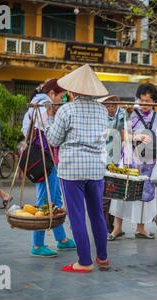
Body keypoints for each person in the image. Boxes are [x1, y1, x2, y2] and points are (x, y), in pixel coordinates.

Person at [46, 64, 110, 273]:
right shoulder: (102, 110)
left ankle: (84, 261)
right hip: (96, 169)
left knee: (77, 216)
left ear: (72, 90)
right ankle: (102, 257)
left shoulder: (66, 109)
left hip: (72, 168)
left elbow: (53, 140)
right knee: (97, 214)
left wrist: (50, 120)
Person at [21, 79, 76, 258]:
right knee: (45, 201)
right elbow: (53, 132)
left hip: (49, 160)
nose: (63, 100)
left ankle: (61, 239)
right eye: (61, 96)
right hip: (45, 161)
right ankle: (37, 244)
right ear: (52, 94)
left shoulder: (39, 104)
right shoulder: (43, 106)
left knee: (55, 199)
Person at [108, 83, 157, 240]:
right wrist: (136, 137)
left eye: (148, 101)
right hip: (130, 160)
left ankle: (141, 229)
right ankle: (117, 228)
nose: (144, 104)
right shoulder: (131, 115)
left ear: (154, 101)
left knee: (144, 195)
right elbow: (121, 135)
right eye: (142, 100)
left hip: (149, 162)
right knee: (122, 193)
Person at [97, 95, 125, 235]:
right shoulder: (100, 121)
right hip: (105, 163)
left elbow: (122, 130)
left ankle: (114, 226)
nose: (111, 108)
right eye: (108, 105)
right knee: (105, 197)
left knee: (115, 195)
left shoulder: (118, 118)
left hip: (116, 163)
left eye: (114, 105)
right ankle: (105, 227)